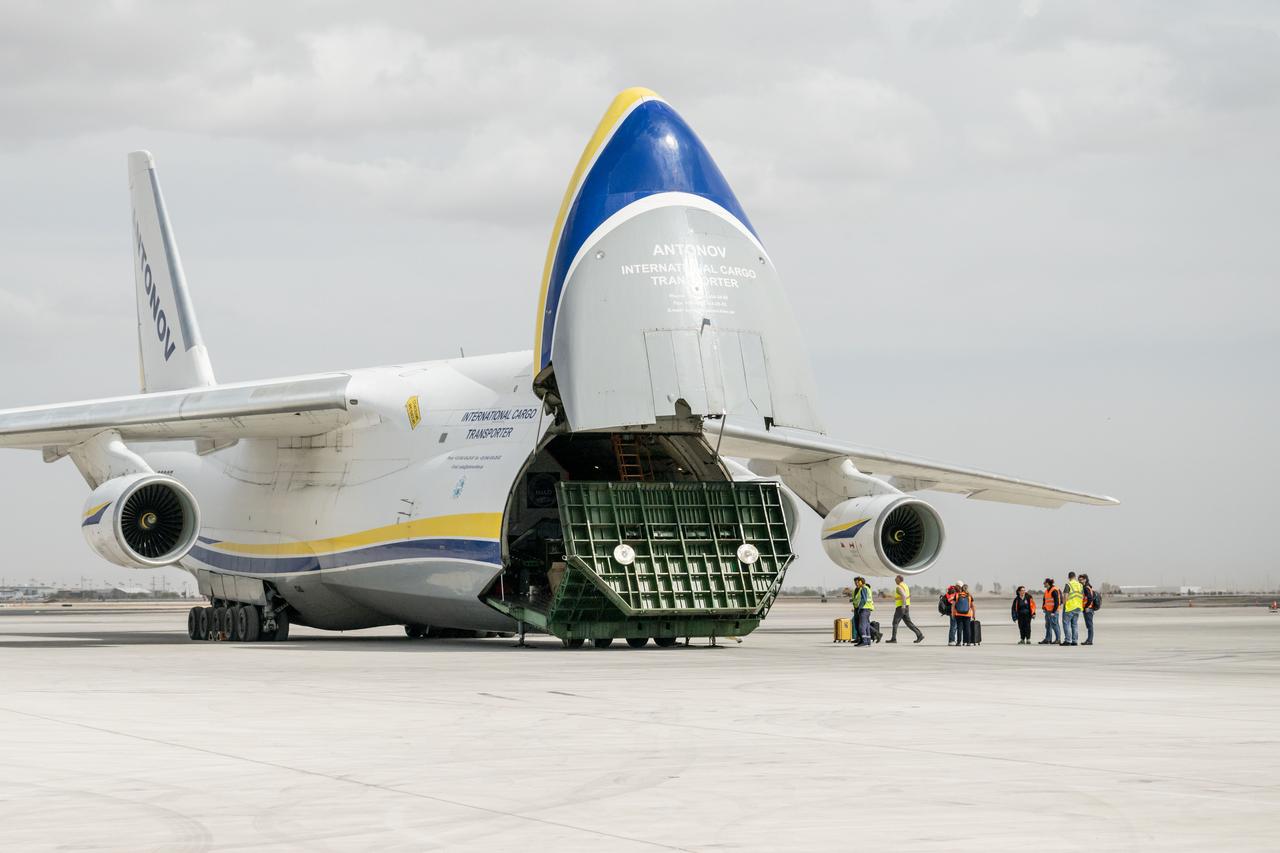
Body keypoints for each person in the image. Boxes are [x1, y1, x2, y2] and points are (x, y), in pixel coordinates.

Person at [887, 574, 924, 644]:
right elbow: (907, 596)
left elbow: (904, 596)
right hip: (906, 607)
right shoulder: (905, 586)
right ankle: (920, 635)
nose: (895, 580)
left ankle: (893, 639)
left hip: (901, 607)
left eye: (896, 578)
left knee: (895, 623)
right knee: (909, 623)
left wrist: (903, 606)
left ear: (899, 579)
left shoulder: (899, 587)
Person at [1062, 571, 1084, 647]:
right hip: (1078, 607)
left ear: (1069, 577)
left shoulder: (1068, 584)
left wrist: (1064, 604)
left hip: (1070, 607)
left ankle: (1068, 640)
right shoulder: (1080, 585)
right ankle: (1074, 640)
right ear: (1075, 577)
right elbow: (1082, 596)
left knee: (1066, 623)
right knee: (1074, 624)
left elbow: (1065, 596)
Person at [851, 576, 874, 646]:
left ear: (861, 582)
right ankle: (867, 641)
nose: (856, 584)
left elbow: (864, 599)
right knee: (866, 626)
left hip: (864, 609)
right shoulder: (865, 588)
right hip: (866, 609)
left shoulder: (863, 588)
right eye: (855, 582)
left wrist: (859, 608)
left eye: (858, 582)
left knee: (861, 626)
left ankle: (864, 641)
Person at [1039, 578, 1062, 645]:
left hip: (1053, 611)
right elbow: (1045, 600)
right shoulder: (1046, 591)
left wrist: (1053, 612)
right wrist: (1044, 607)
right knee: (1048, 625)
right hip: (1047, 611)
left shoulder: (1054, 590)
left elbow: (1057, 602)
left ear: (1048, 583)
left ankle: (1058, 639)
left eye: (1044, 583)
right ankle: (1048, 639)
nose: (1044, 584)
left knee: (1055, 625)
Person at [1080, 573, 1097, 645]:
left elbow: (1090, 598)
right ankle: (1089, 639)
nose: (1079, 581)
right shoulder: (1088, 587)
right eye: (1079, 580)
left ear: (1085, 580)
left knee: (1089, 625)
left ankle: (1089, 640)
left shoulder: (1086, 588)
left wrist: (1086, 607)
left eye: (1081, 580)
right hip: (1089, 609)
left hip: (1088, 609)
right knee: (1089, 625)